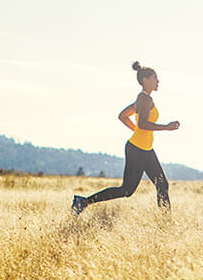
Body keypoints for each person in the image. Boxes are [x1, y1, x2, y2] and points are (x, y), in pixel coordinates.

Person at [72, 62, 180, 215]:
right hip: (137, 150)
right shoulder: (144, 99)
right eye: (155, 78)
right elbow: (142, 124)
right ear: (145, 79)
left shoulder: (143, 99)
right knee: (127, 190)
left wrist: (137, 130)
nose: (158, 81)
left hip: (146, 149)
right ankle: (83, 202)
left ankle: (165, 222)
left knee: (162, 184)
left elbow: (123, 116)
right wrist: (165, 127)